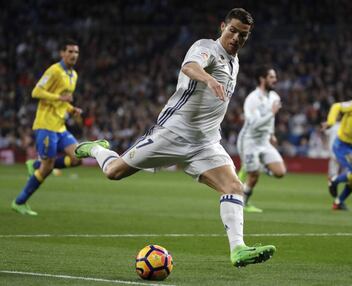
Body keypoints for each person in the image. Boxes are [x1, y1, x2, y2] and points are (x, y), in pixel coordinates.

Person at [74, 8, 275, 267]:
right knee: (113, 172)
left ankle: (238, 250)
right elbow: (190, 66)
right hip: (172, 133)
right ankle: (95, 148)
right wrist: (209, 79)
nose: (236, 37)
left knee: (235, 187)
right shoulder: (206, 48)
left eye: (243, 35)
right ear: (222, 26)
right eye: (232, 30)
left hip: (206, 143)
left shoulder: (235, 62)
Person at [11, 39, 88, 216]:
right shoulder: (54, 70)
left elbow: (65, 101)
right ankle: (19, 202)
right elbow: (36, 92)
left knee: (77, 158)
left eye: (76, 52)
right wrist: (58, 98)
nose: (73, 55)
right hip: (46, 125)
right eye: (70, 51)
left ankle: (35, 163)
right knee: (47, 168)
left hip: (60, 127)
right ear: (62, 53)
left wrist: (71, 109)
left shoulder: (73, 75)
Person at [236, 67, 286, 213]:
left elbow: (271, 120)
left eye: (274, 77)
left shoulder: (275, 97)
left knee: (280, 172)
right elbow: (254, 124)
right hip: (249, 140)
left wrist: (272, 134)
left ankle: (250, 166)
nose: (275, 80)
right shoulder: (252, 99)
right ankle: (244, 203)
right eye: (271, 77)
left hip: (264, 141)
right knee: (254, 175)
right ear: (262, 79)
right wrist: (271, 113)